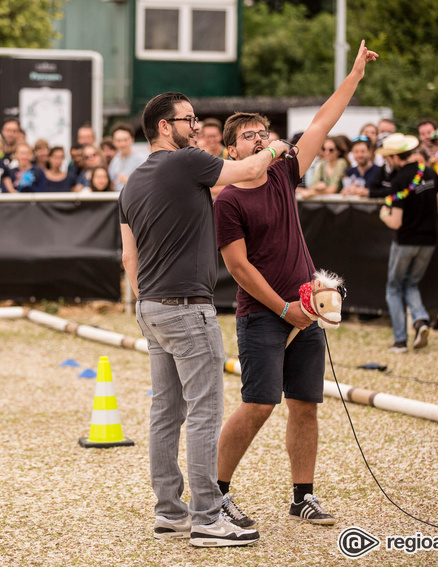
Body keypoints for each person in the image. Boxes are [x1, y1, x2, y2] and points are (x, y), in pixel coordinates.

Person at [213, 40, 377, 530]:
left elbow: (325, 120)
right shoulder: (227, 201)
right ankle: (215, 492)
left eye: (264, 132)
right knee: (259, 403)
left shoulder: (286, 172)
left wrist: (354, 77)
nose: (260, 139)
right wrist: (285, 310)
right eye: (248, 136)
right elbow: (239, 269)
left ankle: (302, 496)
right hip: (264, 314)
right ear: (231, 150)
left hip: (306, 309)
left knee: (306, 406)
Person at [119, 90, 290, 547]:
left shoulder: (131, 181)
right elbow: (252, 169)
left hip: (152, 307)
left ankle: (170, 513)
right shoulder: (185, 161)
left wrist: (149, 301)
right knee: (203, 414)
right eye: (188, 119)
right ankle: (208, 519)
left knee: (165, 414)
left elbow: (128, 257)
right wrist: (277, 146)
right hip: (187, 308)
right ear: (163, 126)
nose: (196, 127)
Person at [377, 133, 438, 352]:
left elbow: (396, 222)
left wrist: (383, 216)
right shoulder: (431, 172)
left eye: (389, 158)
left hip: (406, 241)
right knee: (411, 283)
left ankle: (400, 342)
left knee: (394, 287)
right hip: (429, 241)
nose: (388, 161)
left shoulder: (399, 180)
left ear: (396, 157)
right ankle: (421, 320)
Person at [107, 123, 147, 191]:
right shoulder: (114, 161)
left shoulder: (142, 159)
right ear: (114, 142)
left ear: (132, 139)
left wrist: (130, 181)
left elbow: (147, 183)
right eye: (118, 140)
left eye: (125, 140)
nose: (122, 144)